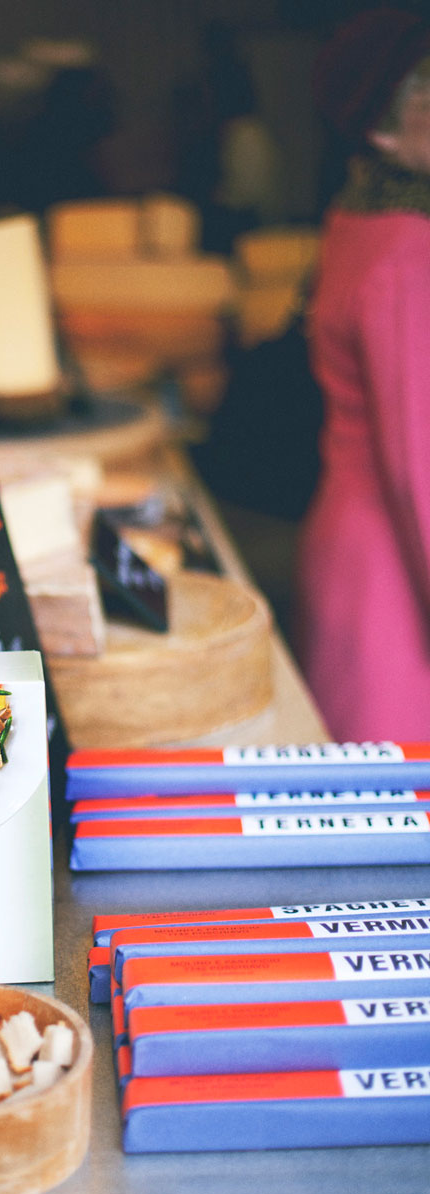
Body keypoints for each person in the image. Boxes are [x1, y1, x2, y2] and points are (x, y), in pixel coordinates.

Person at [294, 7, 430, 741]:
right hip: (397, 581)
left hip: (354, 553)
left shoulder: (358, 216)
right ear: (382, 128)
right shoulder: (409, 251)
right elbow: (421, 467)